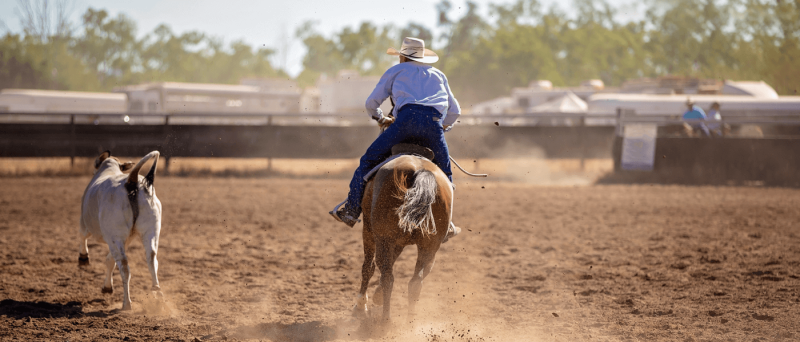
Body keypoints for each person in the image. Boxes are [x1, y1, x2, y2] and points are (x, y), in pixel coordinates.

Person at [330, 37, 460, 233]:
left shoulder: (396, 71)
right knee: (446, 175)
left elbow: (371, 104)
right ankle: (446, 223)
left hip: (404, 123)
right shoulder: (439, 75)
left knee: (368, 161)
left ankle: (351, 210)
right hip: (433, 125)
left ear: (403, 57)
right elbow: (455, 111)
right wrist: (442, 128)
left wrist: (381, 118)